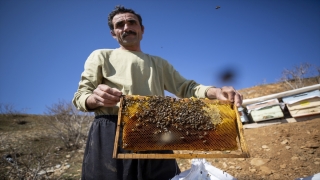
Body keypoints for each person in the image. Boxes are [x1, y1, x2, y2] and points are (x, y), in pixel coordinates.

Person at [72, 5, 243, 180]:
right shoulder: (101, 56)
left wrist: (216, 91)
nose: (126, 27)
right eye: (120, 25)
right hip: (111, 131)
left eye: (132, 22)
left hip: (155, 132)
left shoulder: (159, 63)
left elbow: (187, 87)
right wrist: (95, 99)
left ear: (141, 29)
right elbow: (80, 96)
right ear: (113, 33)